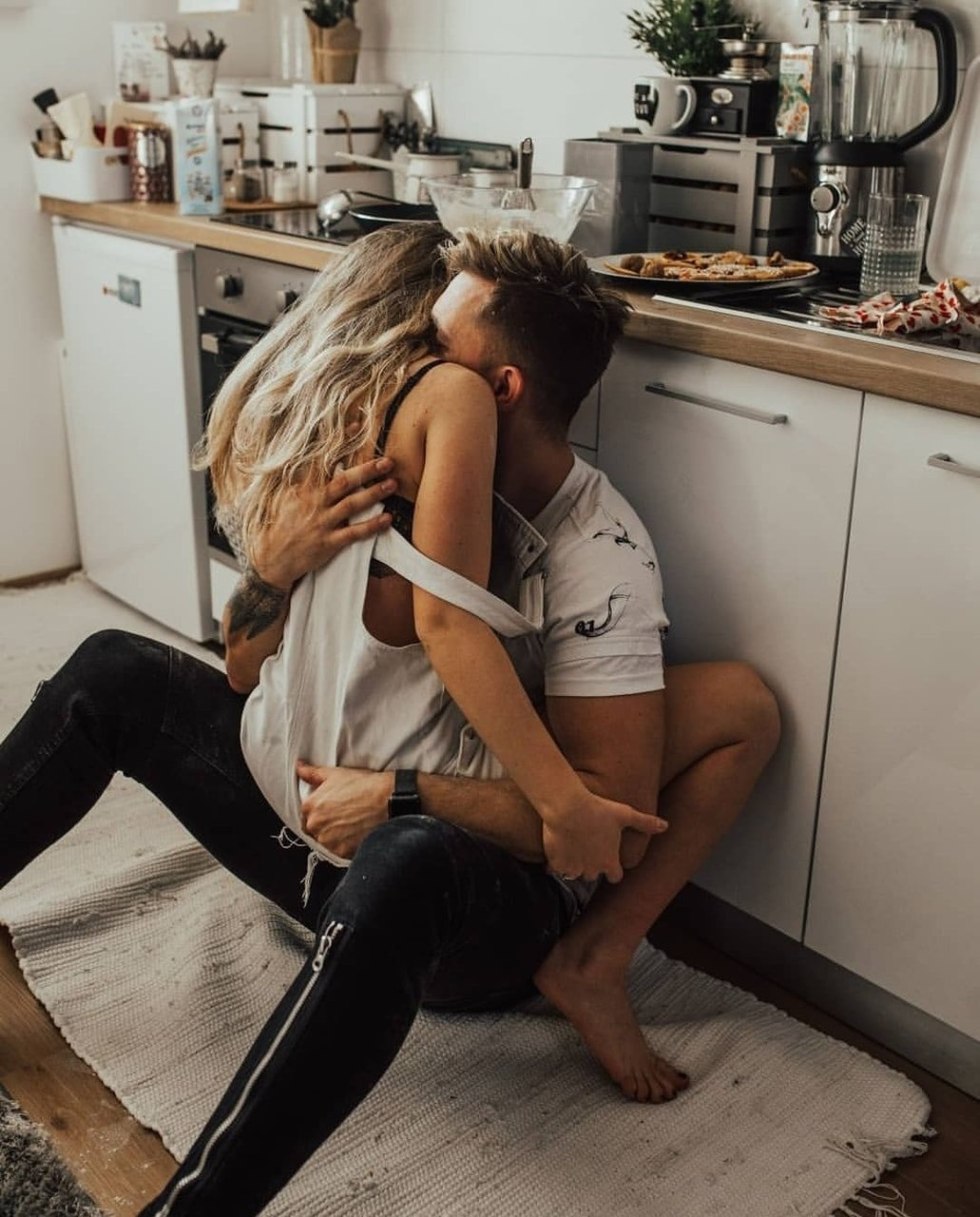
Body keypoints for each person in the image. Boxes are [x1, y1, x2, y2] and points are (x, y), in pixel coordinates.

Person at [0, 225, 779, 1217]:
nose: (400, 360)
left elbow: (595, 827)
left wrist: (403, 796)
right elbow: (242, 670)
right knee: (111, 667)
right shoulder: (388, 465)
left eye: (430, 342)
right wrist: (274, 565)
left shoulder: (595, 559)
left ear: (493, 390)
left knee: (403, 854)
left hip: (455, 912)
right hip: (314, 828)